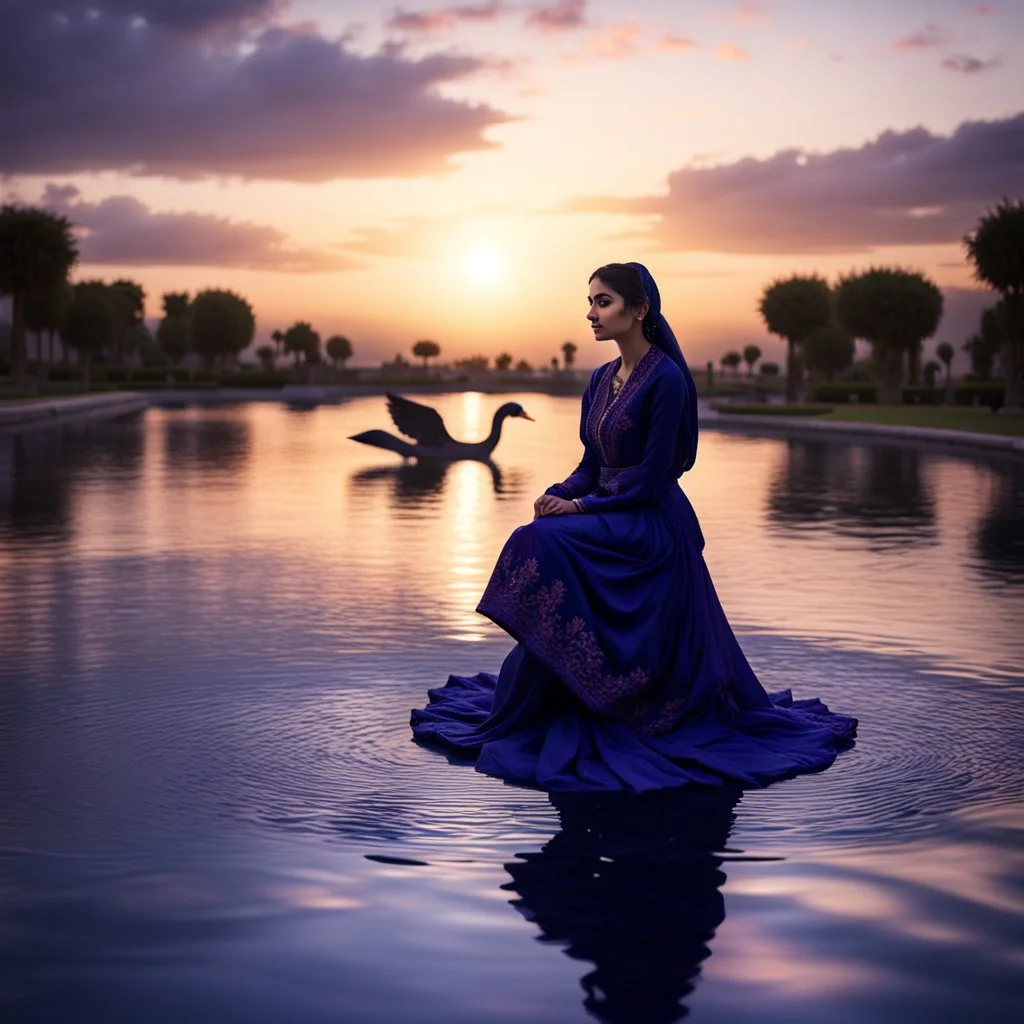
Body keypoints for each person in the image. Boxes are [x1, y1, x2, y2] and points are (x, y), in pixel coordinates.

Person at [411, 262, 856, 792]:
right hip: (605, 506)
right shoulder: (600, 380)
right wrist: (560, 493)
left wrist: (581, 511)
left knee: (539, 541)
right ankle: (573, 675)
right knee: (536, 532)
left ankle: (621, 689)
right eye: (590, 301)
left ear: (640, 309)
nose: (591, 313)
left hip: (648, 519)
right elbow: (589, 464)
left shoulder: (666, 379)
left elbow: (651, 478)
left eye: (603, 302)